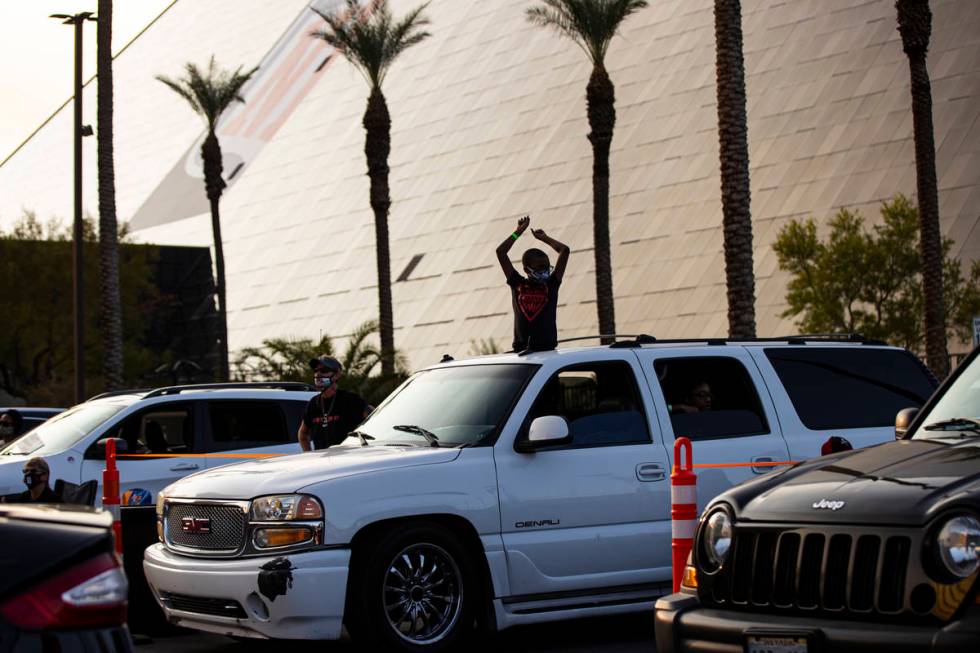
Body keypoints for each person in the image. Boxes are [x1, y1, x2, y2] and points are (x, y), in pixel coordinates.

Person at [496, 216, 570, 352]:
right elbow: (501, 252)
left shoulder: (551, 285)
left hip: (546, 350)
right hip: (521, 350)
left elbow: (564, 250)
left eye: (547, 267)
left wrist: (545, 238)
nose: (545, 271)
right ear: (526, 269)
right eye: (540, 267)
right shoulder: (517, 283)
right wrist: (517, 232)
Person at [298, 355, 370, 452]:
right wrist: (309, 455)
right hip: (322, 463)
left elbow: (375, 418)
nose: (318, 374)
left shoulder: (350, 399)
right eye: (316, 371)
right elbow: (302, 434)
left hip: (347, 461)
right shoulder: (313, 403)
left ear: (337, 375)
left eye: (324, 371)